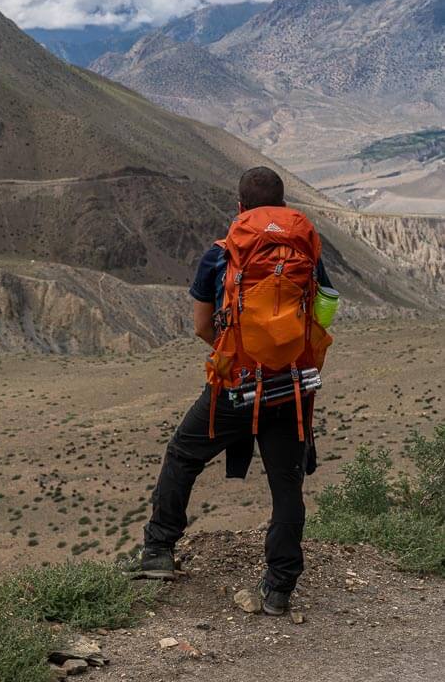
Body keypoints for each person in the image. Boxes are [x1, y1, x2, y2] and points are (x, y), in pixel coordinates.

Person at [138, 166, 334, 615]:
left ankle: (158, 552)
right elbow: (323, 311)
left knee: (183, 455)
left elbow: (203, 326)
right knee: (287, 486)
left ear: (240, 207)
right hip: (291, 386)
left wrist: (241, 352)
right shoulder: (306, 247)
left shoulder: (220, 255)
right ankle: (280, 588)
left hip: (235, 385)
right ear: (284, 206)